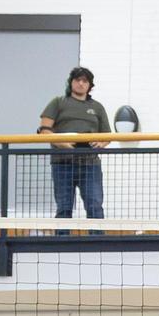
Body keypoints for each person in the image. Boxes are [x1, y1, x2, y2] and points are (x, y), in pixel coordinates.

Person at [39, 65, 111, 221]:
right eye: (78, 80)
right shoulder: (58, 102)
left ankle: (97, 244)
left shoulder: (97, 107)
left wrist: (100, 144)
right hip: (62, 163)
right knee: (64, 208)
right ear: (71, 82)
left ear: (90, 86)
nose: (81, 83)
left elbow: (107, 135)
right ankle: (61, 244)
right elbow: (44, 130)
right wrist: (62, 143)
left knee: (95, 206)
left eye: (85, 81)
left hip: (90, 163)